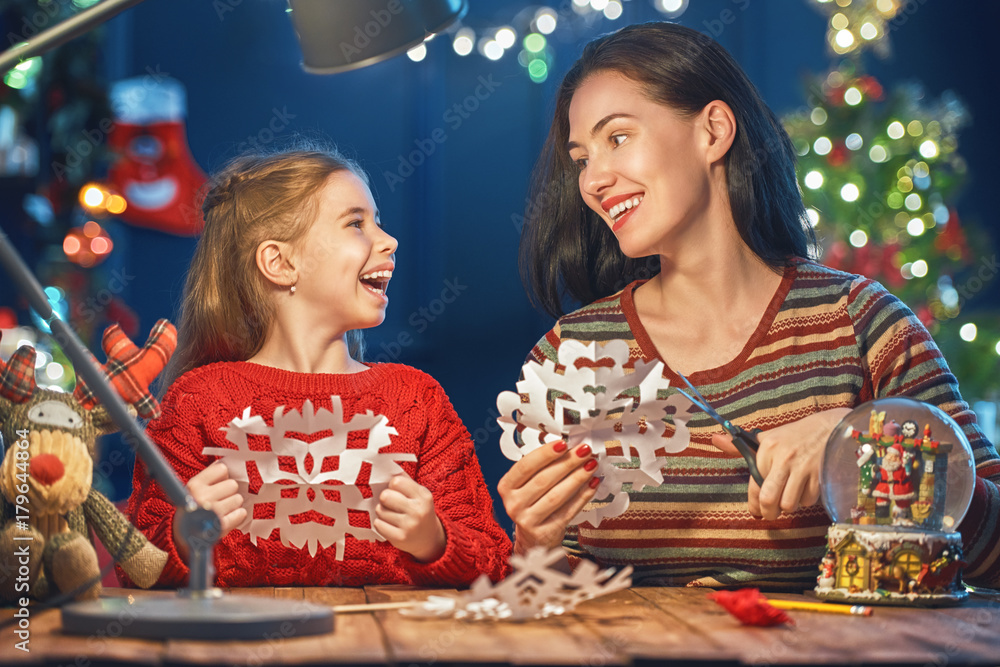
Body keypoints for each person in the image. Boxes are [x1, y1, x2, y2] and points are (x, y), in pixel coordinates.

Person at [498, 22, 1000, 590]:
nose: (593, 180)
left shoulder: (860, 323)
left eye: (617, 138)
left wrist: (858, 437)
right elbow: (545, 596)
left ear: (713, 131)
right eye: (582, 157)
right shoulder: (571, 354)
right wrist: (534, 546)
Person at [123, 144, 511, 588]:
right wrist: (182, 536)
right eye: (356, 223)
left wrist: (435, 541)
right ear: (281, 263)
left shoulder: (417, 399)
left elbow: (496, 561)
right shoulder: (197, 401)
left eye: (377, 221)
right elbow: (137, 566)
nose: (389, 241)